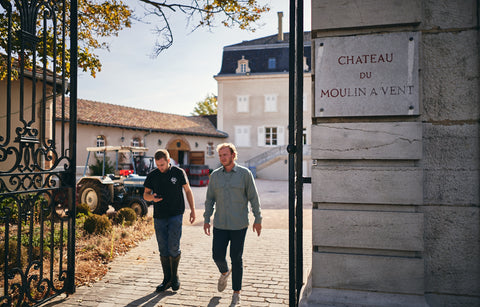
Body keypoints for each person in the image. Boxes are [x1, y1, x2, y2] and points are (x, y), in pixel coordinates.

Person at [203, 143, 262, 306]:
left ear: (233, 155)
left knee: (236, 258)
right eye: (220, 155)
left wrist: (258, 219)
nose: (222, 158)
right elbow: (210, 199)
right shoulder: (215, 175)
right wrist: (206, 219)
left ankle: (237, 293)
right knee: (217, 255)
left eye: (225, 155)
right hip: (220, 224)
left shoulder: (245, 174)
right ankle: (224, 272)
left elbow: (253, 198)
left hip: (239, 225)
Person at [143, 149, 195, 292]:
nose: (160, 168)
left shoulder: (178, 173)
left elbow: (188, 191)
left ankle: (175, 277)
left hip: (175, 214)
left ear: (168, 161)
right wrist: (152, 198)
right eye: (158, 165)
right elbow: (145, 195)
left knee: (173, 246)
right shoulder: (152, 175)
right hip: (159, 216)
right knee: (163, 248)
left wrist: (193, 210)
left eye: (162, 165)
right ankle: (167, 279)